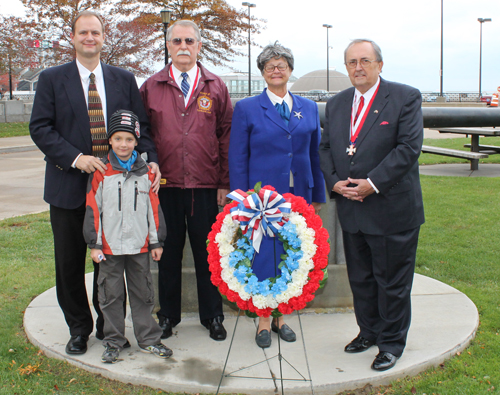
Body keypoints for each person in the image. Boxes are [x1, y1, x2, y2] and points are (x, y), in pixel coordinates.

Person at [29, 10, 160, 355]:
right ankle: (78, 327)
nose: (90, 38)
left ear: (104, 38)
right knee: (70, 263)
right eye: (83, 32)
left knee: (111, 265)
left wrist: (153, 161)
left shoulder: (123, 79)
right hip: (69, 187)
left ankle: (109, 327)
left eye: (96, 33)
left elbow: (141, 128)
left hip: (118, 192)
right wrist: (77, 158)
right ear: (73, 38)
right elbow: (40, 128)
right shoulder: (51, 79)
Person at [319, 39, 425, 371]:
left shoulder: (405, 97)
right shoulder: (336, 104)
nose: (358, 67)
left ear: (380, 64)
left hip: (391, 210)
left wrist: (372, 184)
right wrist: (333, 180)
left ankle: (391, 343)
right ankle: (369, 331)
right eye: (351, 62)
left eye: (365, 61)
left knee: (392, 281)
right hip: (352, 210)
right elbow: (324, 149)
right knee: (361, 280)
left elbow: (408, 148)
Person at [140, 20, 232, 341]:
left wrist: (224, 182)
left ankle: (213, 315)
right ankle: (167, 316)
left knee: (208, 253)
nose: (183, 46)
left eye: (189, 41)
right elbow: (144, 134)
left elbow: (225, 137)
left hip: (205, 188)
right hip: (164, 188)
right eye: (176, 40)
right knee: (167, 254)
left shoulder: (215, 86)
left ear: (199, 46)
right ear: (168, 45)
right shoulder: (151, 86)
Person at [229, 42, 326, 348]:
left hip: (299, 193)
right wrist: (243, 199)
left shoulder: (308, 108)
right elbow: (237, 156)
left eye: (281, 65)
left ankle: (282, 316)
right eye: (270, 66)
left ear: (290, 70)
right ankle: (261, 321)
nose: (276, 70)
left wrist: (317, 194)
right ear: (262, 72)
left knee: (291, 255)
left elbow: (315, 154)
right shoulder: (246, 108)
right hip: (261, 199)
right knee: (263, 257)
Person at [83, 109, 171, 364]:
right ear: (110, 140)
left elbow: (153, 211)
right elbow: (93, 211)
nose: (124, 144)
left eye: (129, 139)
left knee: (143, 294)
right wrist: (94, 244)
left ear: (136, 141)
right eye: (118, 138)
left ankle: (149, 339)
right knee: (110, 296)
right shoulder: (100, 172)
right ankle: (113, 340)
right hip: (108, 249)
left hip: (140, 247)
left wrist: (156, 241)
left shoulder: (148, 173)